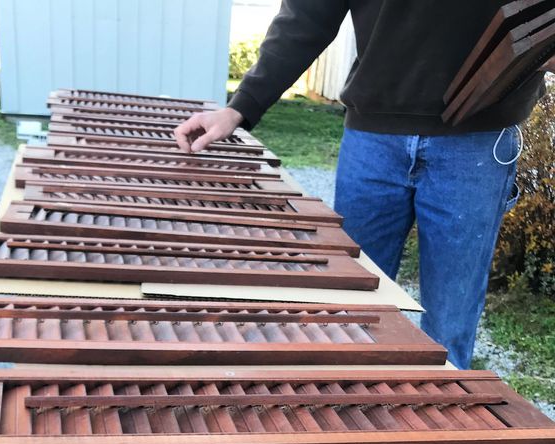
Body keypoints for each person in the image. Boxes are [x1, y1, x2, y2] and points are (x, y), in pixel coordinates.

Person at [173, 1, 550, 369]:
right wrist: (241, 105)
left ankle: (437, 429)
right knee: (353, 311)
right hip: (374, 136)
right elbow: (308, 14)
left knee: (450, 323)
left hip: (479, 140)